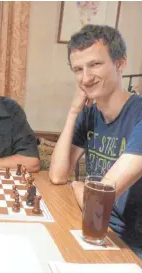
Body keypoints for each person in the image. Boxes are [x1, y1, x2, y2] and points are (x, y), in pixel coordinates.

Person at [49, 25, 142, 258]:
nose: (86, 78)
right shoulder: (90, 114)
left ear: (120, 64)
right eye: (78, 69)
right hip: (98, 230)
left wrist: (79, 186)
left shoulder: (139, 114)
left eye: (95, 65)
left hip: (131, 245)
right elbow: (58, 175)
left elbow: (98, 201)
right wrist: (73, 111)